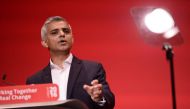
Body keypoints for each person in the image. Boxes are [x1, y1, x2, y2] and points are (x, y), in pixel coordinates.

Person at [26, 16, 115, 109]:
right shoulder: (35, 81)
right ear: (45, 42)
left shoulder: (92, 69)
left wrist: (99, 98)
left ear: (72, 38)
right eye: (54, 32)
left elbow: (109, 102)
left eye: (66, 31)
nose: (62, 34)